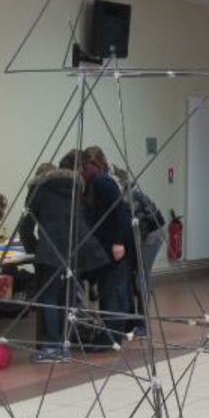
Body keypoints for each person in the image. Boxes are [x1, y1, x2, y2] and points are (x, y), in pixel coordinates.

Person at [19, 159, 108, 362]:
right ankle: (67, 342)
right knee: (68, 298)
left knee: (49, 298)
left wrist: (34, 250)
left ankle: (52, 346)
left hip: (51, 250)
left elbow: (26, 227)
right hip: (76, 249)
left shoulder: (38, 190)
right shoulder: (75, 188)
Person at [81, 146, 134, 342]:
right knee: (113, 289)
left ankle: (111, 335)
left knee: (112, 290)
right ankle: (113, 332)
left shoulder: (101, 181)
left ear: (94, 165)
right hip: (109, 243)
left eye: (86, 166)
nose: (84, 171)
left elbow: (119, 211)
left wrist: (118, 242)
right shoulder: (97, 182)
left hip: (114, 244)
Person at [112, 165, 166, 332]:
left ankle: (143, 323)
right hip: (146, 234)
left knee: (140, 277)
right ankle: (137, 320)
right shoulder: (128, 195)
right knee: (136, 277)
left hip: (152, 235)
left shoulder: (130, 198)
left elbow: (139, 227)